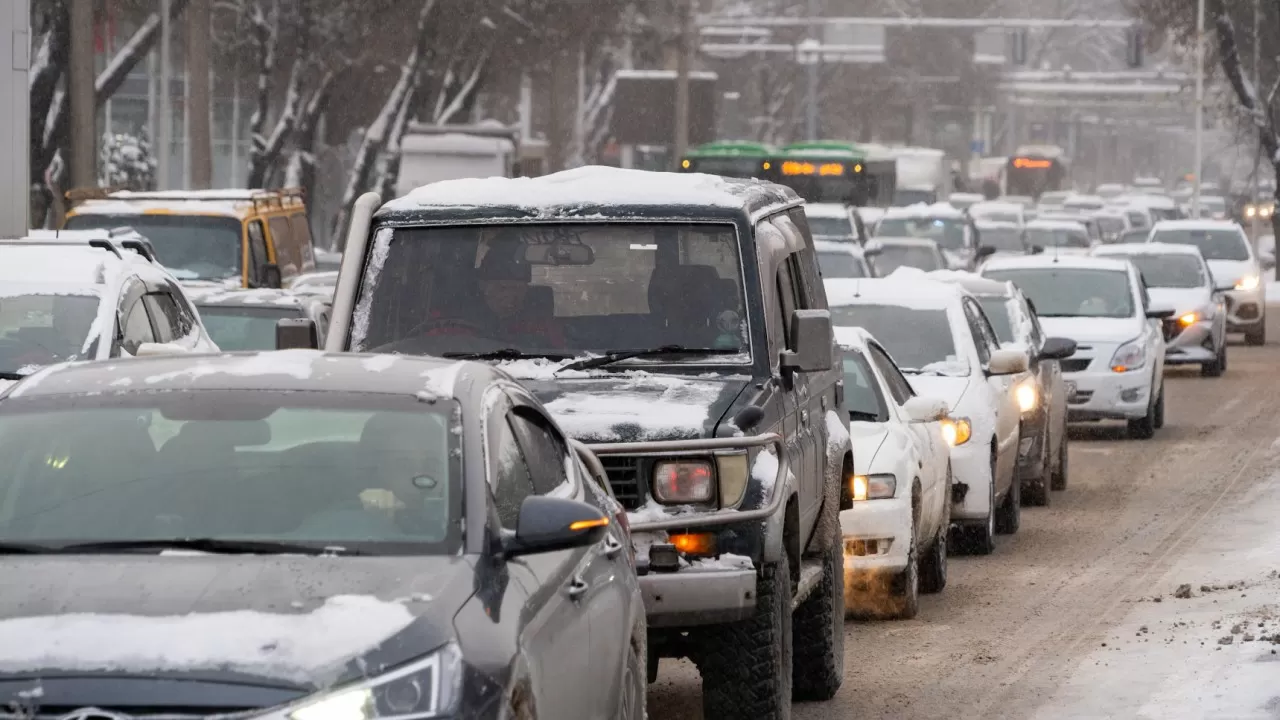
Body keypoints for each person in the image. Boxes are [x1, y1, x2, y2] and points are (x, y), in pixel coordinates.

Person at [424, 235, 567, 347]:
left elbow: (563, 359)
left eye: (517, 288)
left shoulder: (540, 326)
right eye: (502, 287)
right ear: (483, 286)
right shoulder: (451, 323)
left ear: (527, 289)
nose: (510, 295)